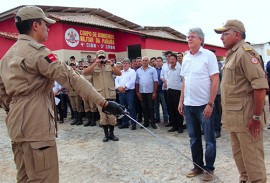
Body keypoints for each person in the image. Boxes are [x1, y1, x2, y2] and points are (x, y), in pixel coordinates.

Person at [0, 6, 125, 183]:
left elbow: (2, 92)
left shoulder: (7, 56)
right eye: (45, 24)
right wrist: (104, 103)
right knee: (44, 177)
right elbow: (72, 78)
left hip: (16, 124)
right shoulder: (37, 53)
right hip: (36, 124)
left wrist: (14, 108)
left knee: (25, 176)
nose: (48, 28)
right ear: (35, 25)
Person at [214, 19, 268, 183]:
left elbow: (260, 87)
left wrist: (256, 118)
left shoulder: (245, 53)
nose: (221, 38)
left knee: (253, 160)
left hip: (247, 118)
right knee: (240, 156)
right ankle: (244, 178)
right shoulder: (232, 54)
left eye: (225, 33)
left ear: (237, 35)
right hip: (235, 118)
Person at [178, 28, 219, 181]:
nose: (189, 39)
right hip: (189, 105)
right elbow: (184, 81)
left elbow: (215, 80)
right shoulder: (186, 57)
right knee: (193, 138)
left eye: (192, 37)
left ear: (200, 39)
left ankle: (209, 169)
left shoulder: (209, 56)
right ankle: (198, 166)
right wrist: (181, 101)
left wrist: (210, 103)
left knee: (209, 139)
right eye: (188, 37)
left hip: (204, 105)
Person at [83, 50, 122, 142]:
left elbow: (119, 73)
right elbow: (85, 72)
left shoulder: (110, 66)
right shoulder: (94, 67)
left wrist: (112, 64)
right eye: (99, 57)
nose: (101, 59)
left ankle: (112, 134)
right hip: (99, 96)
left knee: (112, 116)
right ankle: (106, 135)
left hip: (110, 95)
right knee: (103, 116)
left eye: (102, 57)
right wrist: (94, 64)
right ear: (97, 58)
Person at [135, 56, 158, 129]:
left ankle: (153, 122)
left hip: (150, 92)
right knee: (144, 107)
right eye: (143, 60)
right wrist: (137, 92)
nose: (144, 62)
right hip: (142, 92)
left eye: (146, 60)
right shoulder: (138, 70)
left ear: (148, 61)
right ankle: (146, 122)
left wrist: (154, 92)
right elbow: (137, 82)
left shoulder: (153, 69)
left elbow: (156, 81)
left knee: (151, 107)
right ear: (141, 62)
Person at [115, 58, 137, 130]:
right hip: (121, 92)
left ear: (129, 64)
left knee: (131, 108)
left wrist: (124, 87)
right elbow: (116, 81)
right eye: (124, 63)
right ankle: (125, 123)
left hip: (129, 92)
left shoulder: (132, 71)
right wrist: (119, 87)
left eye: (126, 63)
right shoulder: (120, 72)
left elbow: (132, 81)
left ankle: (133, 124)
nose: (125, 64)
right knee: (123, 108)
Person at [166, 54, 184, 133]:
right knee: (171, 109)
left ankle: (180, 126)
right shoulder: (169, 69)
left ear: (176, 60)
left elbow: (183, 80)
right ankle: (174, 126)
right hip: (169, 90)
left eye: (173, 59)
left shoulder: (180, 68)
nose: (172, 61)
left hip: (177, 91)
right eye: (170, 59)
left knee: (178, 109)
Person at [154, 57, 169, 124]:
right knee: (156, 106)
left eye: (160, 61)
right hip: (155, 90)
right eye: (157, 61)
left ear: (162, 62)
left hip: (162, 90)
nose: (158, 62)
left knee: (164, 105)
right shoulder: (153, 70)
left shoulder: (164, 69)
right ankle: (157, 118)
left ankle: (166, 118)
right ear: (155, 62)